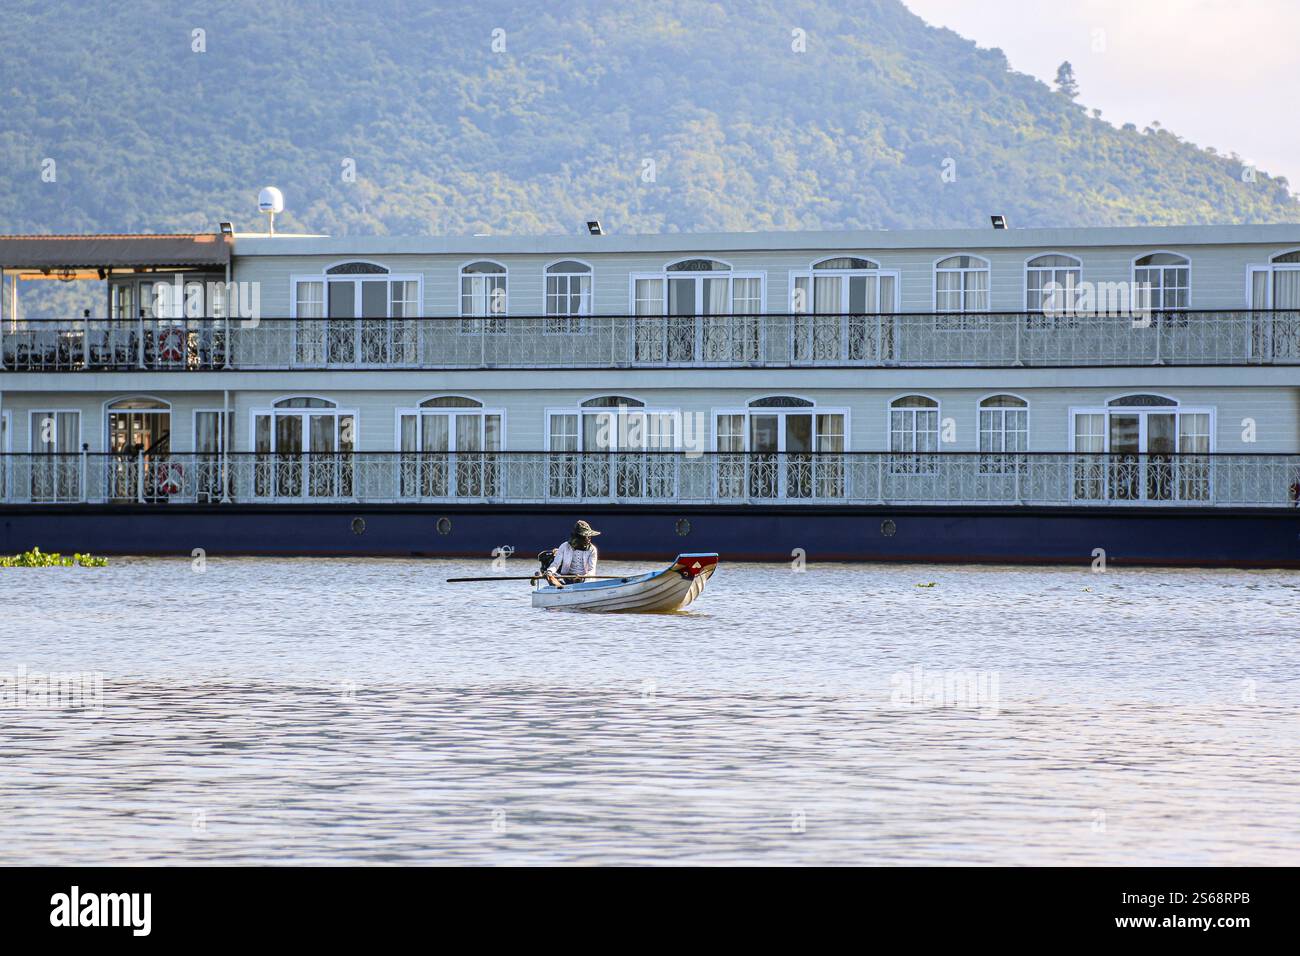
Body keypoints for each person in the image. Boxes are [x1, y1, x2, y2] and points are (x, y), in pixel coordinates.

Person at [541, 520, 601, 587]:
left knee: (585, 581)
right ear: (578, 537)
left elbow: (592, 570)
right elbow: (556, 564)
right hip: (565, 577)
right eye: (586, 536)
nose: (589, 538)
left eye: (589, 536)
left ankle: (569, 587)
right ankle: (560, 587)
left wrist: (583, 577)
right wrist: (549, 572)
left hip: (584, 579)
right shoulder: (564, 546)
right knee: (552, 576)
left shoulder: (592, 549)